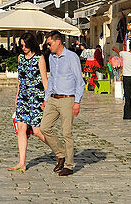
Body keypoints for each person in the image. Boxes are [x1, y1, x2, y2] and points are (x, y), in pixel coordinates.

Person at [40, 31, 83, 177]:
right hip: (53, 98)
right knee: (44, 128)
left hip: (67, 99)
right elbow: (51, 78)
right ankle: (61, 154)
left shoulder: (72, 57)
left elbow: (79, 81)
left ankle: (69, 166)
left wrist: (77, 102)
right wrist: (46, 99)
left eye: (49, 43)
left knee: (66, 133)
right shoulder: (51, 57)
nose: (48, 46)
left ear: (58, 42)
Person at [9, 33, 48, 172]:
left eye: (25, 45)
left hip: (36, 98)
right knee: (21, 129)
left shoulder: (40, 58)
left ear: (31, 44)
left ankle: (58, 150)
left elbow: (44, 80)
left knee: (37, 130)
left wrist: (46, 99)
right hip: (23, 98)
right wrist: (17, 96)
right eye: (21, 46)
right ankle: (22, 162)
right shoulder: (21, 58)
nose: (23, 48)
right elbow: (20, 80)